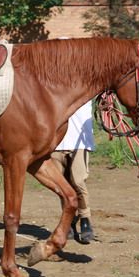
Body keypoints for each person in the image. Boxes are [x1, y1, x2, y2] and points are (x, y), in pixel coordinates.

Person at [51, 100, 95, 244]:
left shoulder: (87, 80)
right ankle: (68, 221)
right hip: (55, 140)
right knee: (61, 184)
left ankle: (85, 218)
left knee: (78, 181)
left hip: (80, 140)